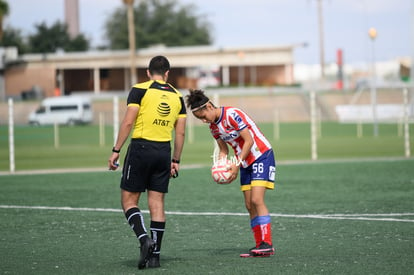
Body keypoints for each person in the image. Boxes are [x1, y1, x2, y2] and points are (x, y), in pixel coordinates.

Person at [108, 56, 187, 269]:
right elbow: (180, 133)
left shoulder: (139, 89)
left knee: (129, 201)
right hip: (164, 151)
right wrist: (176, 160)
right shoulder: (178, 97)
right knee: (157, 203)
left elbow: (128, 121)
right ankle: (155, 257)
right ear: (168, 73)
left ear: (148, 72)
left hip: (141, 149)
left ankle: (144, 240)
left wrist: (116, 150)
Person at [185, 89, 275, 257]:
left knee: (256, 199)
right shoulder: (213, 127)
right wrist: (222, 167)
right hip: (244, 161)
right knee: (249, 205)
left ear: (210, 106)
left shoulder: (232, 114)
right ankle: (259, 245)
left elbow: (249, 140)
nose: (203, 121)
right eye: (199, 119)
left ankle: (267, 243)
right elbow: (223, 150)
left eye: (203, 116)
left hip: (261, 155)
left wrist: (236, 164)